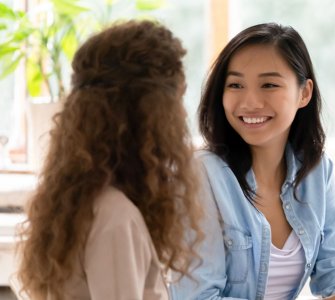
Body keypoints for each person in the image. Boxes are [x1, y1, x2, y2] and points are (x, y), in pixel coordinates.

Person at [170, 22, 335, 300]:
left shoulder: (316, 170)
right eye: (236, 85)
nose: (250, 102)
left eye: (269, 84)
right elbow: (197, 297)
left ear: (304, 93)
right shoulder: (200, 175)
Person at [15, 20, 203, 299]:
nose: (183, 117)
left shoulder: (81, 206)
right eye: (177, 101)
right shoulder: (115, 218)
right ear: (149, 114)